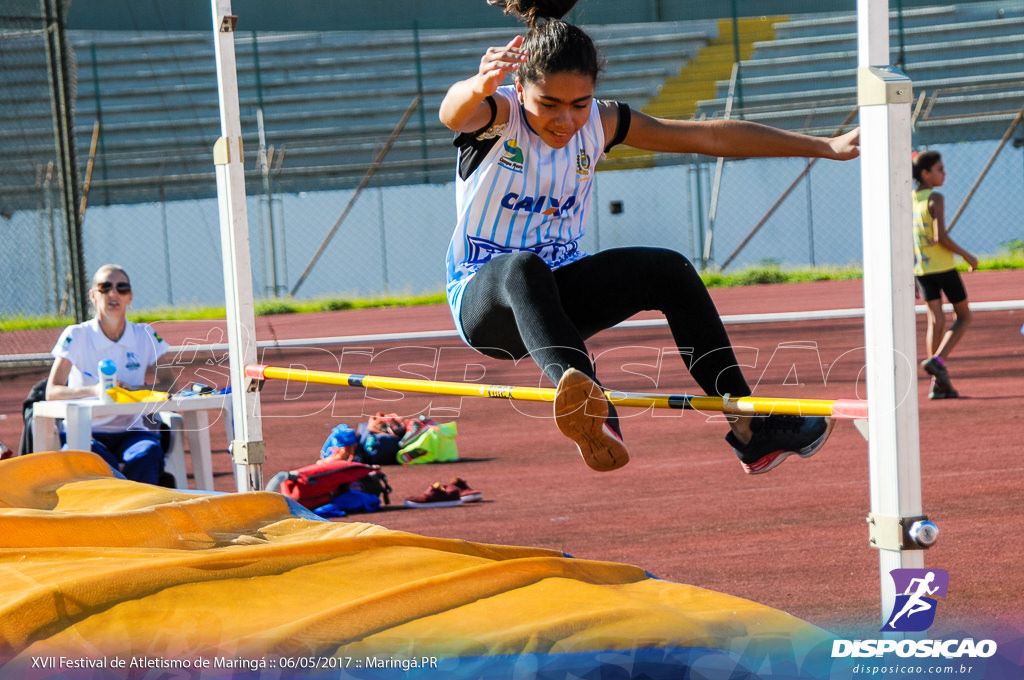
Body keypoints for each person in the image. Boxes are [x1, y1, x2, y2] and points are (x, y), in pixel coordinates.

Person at [439, 0, 860, 473]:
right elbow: (453, 114)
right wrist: (478, 85)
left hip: (560, 298)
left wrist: (823, 147)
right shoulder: (498, 115)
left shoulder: (601, 122)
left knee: (668, 268)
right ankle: (592, 410)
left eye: (578, 104)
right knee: (523, 267)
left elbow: (711, 138)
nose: (565, 121)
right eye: (548, 105)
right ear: (519, 89)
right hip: (488, 306)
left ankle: (750, 426)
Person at [46, 264, 173, 484]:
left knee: (147, 453)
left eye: (122, 288)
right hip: (86, 432)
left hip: (132, 431)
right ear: (93, 296)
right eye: (105, 287)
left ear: (130, 297)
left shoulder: (145, 335)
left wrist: (134, 391)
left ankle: (140, 516)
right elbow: (52, 391)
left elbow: (170, 384)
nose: (113, 294)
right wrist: (95, 391)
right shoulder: (76, 335)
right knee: (95, 461)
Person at [911, 150, 977, 399]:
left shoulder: (909, 199)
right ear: (926, 173)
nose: (944, 173)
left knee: (935, 321)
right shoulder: (935, 198)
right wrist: (968, 256)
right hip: (943, 267)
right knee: (964, 316)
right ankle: (938, 361)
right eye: (939, 169)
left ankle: (936, 384)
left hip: (922, 269)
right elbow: (941, 237)